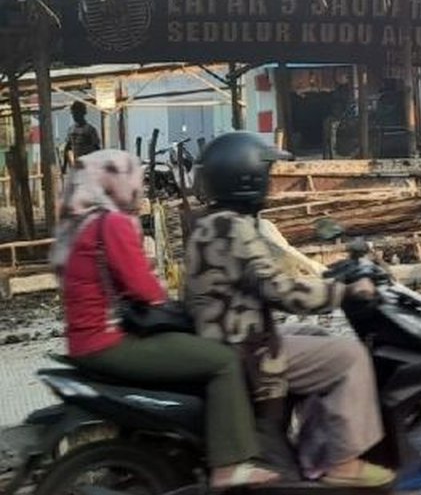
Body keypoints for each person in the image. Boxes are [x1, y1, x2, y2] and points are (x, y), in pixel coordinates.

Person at [51, 150, 278, 489]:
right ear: (114, 182)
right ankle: (229, 463)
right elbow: (146, 290)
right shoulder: (110, 223)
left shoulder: (81, 223)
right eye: (134, 180)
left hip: (87, 338)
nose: (139, 188)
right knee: (224, 360)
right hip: (108, 342)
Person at [185, 132, 393, 488]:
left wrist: (324, 279)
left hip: (229, 334)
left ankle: (310, 448)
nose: (271, 181)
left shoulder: (210, 223)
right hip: (245, 347)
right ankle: (343, 462)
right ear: (247, 178)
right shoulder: (233, 228)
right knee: (348, 355)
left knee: (316, 335)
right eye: (266, 172)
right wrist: (342, 292)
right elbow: (279, 290)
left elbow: (262, 277)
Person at [62, 101, 102, 172]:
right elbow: (67, 148)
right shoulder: (71, 130)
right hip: (78, 165)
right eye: (73, 113)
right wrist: (64, 166)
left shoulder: (90, 130)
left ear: (83, 113)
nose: (75, 116)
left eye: (77, 113)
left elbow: (97, 148)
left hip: (90, 165)